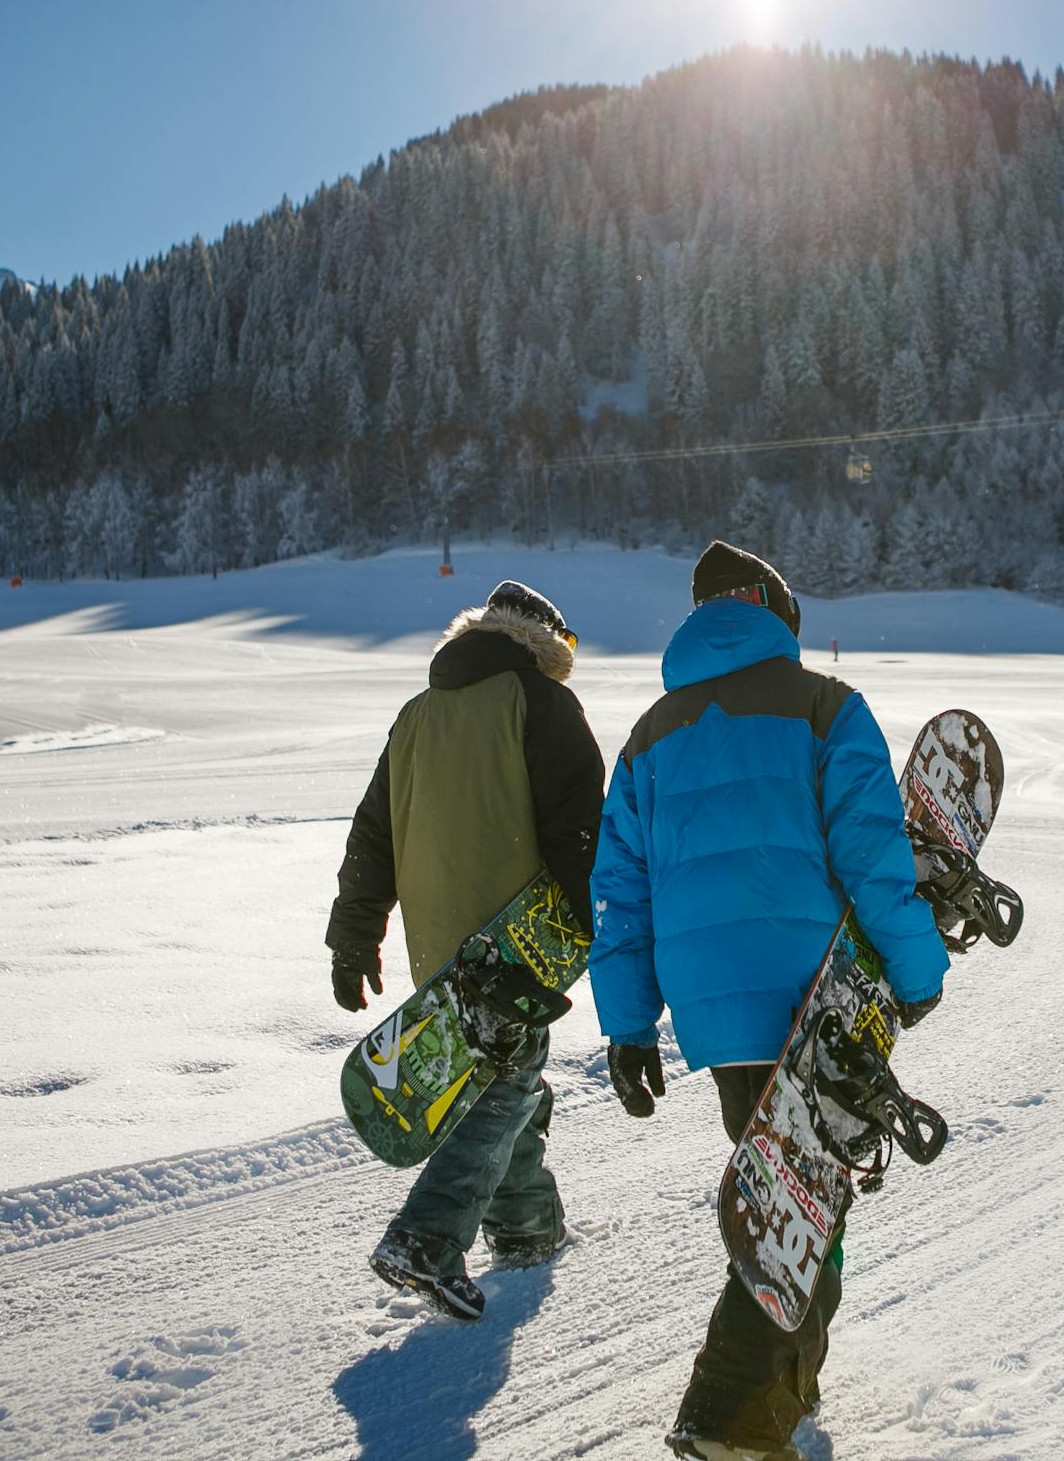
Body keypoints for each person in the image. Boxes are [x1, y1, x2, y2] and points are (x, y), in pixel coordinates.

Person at [590, 540, 947, 1461]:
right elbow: (874, 858)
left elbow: (618, 896)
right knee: (800, 1206)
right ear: (777, 616)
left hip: (718, 1016)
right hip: (817, 998)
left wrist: (629, 1025)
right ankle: (732, 1414)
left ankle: (782, 1390)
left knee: (787, 1190)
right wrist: (916, 974)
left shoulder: (649, 736)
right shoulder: (827, 707)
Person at [326, 579, 604, 1322]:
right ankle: (427, 1235)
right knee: (509, 1080)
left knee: (503, 1077)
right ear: (543, 641)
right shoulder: (540, 703)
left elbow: (373, 836)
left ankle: (525, 1226)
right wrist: (593, 930)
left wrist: (354, 935)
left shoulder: (417, 714)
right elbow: (579, 833)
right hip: (515, 940)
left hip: (438, 944)